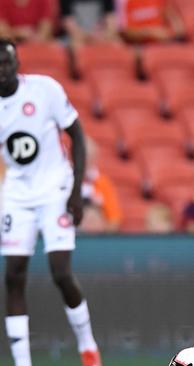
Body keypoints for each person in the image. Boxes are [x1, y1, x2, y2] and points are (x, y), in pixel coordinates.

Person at [0, 39, 101, 366]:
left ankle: (88, 345)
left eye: (7, 63)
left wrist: (75, 189)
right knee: (14, 275)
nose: (2, 71)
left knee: (60, 272)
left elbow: (77, 134)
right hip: (16, 193)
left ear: (17, 64)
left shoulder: (44, 90)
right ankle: (22, 362)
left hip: (55, 188)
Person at [82, 137, 122, 232]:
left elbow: (114, 220)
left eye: (89, 157)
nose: (86, 161)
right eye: (83, 155)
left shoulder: (104, 184)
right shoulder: (65, 182)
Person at [115, 0, 185, 43]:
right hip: (138, 49)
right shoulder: (125, 2)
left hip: (162, 46)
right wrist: (150, 32)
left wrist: (173, 31)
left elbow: (178, 29)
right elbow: (124, 32)